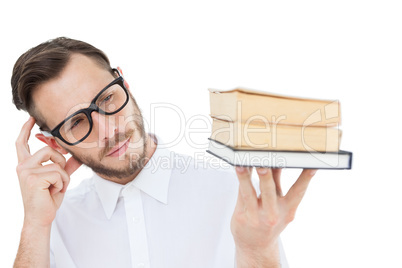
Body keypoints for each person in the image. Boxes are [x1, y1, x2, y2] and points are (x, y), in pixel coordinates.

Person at [11, 37, 317, 268]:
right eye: (77, 122)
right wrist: (34, 226)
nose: (109, 130)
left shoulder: (233, 192)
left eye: (106, 98)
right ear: (55, 144)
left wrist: (258, 251)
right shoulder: (51, 227)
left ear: (126, 85)